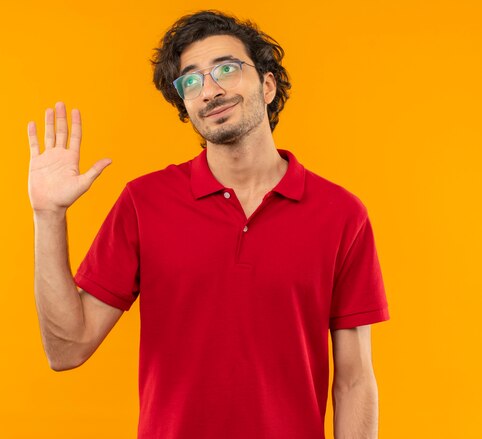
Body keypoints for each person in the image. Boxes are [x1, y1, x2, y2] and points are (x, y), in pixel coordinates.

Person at [27, 10, 390, 439]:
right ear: (185, 104)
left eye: (227, 69)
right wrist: (48, 215)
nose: (210, 90)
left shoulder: (341, 214)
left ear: (268, 85)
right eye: (192, 81)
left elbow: (353, 379)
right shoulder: (145, 202)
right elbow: (67, 349)